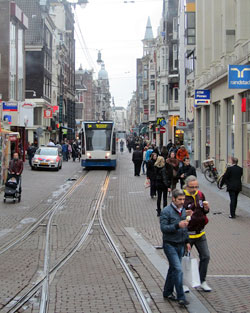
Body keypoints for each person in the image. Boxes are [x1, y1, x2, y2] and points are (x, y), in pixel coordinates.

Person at [160, 189, 191, 306]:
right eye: (180, 199)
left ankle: (167, 292)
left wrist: (187, 241)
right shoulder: (166, 212)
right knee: (178, 270)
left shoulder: (183, 211)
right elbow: (164, 228)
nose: (182, 202)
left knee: (173, 269)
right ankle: (181, 297)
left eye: (183, 199)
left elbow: (185, 228)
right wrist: (177, 225)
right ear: (173, 199)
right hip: (170, 244)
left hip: (181, 244)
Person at [183, 175, 211, 292]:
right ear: (186, 186)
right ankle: (183, 283)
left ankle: (202, 280)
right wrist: (185, 214)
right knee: (184, 259)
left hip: (200, 233)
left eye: (196, 186)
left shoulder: (200, 195)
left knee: (205, 256)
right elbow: (176, 214)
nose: (194, 189)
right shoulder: (182, 196)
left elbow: (205, 211)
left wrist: (206, 208)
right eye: (192, 187)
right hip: (187, 234)